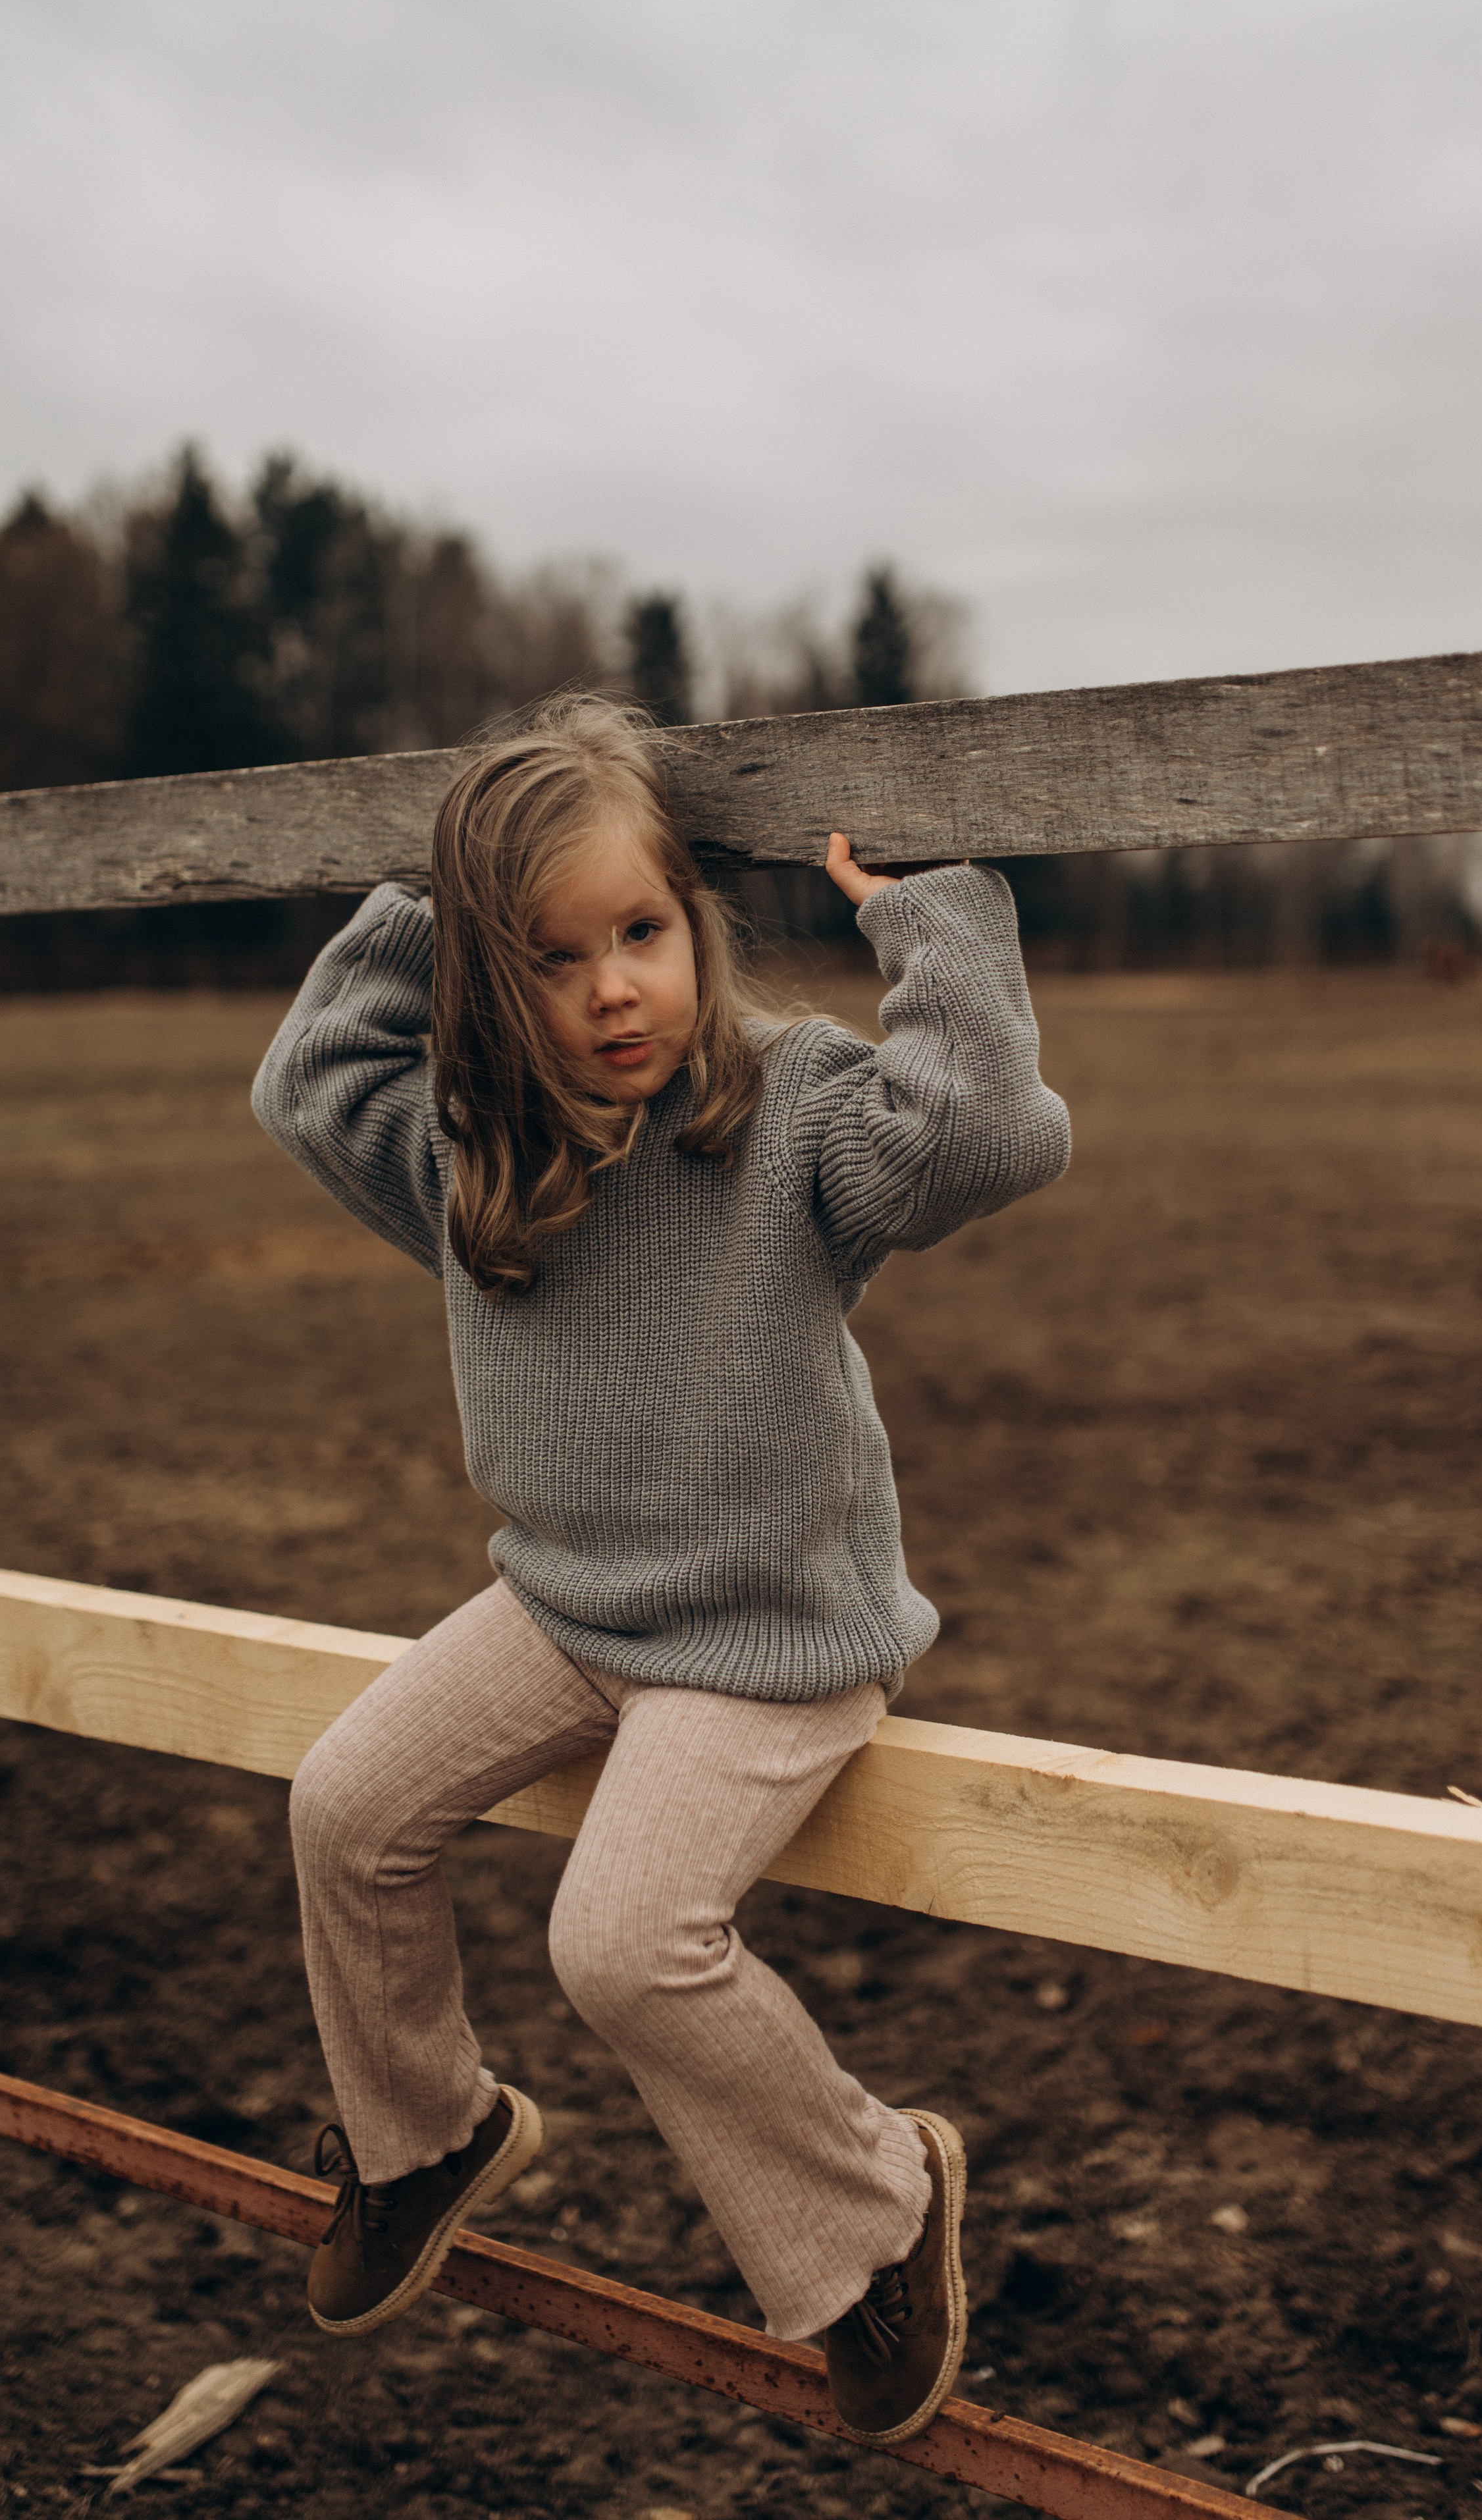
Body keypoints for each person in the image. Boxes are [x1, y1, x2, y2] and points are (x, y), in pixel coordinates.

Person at [251, 693, 1071, 2446]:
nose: (612, 990)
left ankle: (879, 2211)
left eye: (641, 934)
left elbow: (992, 1136)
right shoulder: (477, 1149)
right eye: (549, 959)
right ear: (483, 985)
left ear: (696, 924)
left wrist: (930, 916)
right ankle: (427, 2137)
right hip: (565, 1606)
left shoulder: (788, 1116)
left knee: (623, 1942)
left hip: (768, 1635)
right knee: (344, 1807)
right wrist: (427, 881)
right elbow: (307, 1083)